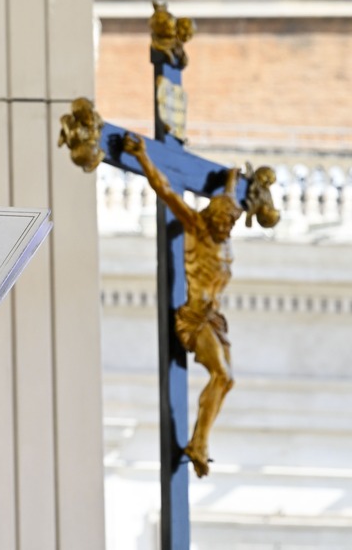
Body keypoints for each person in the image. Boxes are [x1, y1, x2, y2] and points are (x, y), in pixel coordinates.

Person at [123, 132, 242, 477]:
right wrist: (144, 157)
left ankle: (200, 440)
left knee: (227, 381)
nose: (227, 226)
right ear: (213, 215)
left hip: (214, 318)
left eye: (231, 222)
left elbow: (231, 197)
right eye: (224, 220)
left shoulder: (223, 236)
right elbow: (166, 189)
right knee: (222, 374)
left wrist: (232, 179)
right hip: (193, 318)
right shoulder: (196, 226)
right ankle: (198, 443)